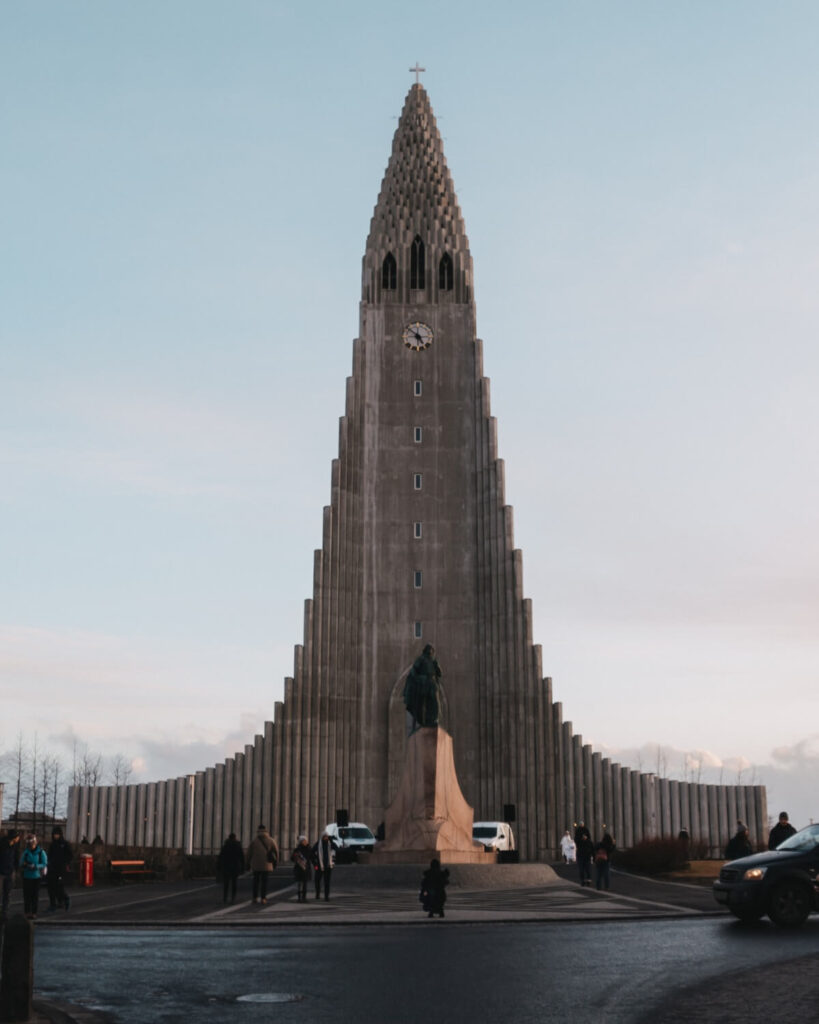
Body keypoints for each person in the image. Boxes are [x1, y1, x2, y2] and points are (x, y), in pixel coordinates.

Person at [403, 644, 443, 730]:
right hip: (423, 685)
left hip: (432, 684)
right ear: (427, 650)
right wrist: (420, 679)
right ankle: (424, 721)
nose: (432, 652)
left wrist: (436, 665)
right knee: (423, 704)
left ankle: (433, 720)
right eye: (430, 650)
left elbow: (439, 674)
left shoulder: (433, 661)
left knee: (434, 703)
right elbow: (413, 672)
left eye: (433, 651)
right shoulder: (421, 659)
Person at [246, 824, 279, 905]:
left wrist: (247, 863)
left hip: (256, 865)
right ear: (266, 831)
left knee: (255, 882)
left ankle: (254, 898)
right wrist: (275, 862)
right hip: (267, 864)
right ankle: (263, 898)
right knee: (264, 882)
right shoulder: (271, 840)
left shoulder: (254, 841)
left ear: (258, 831)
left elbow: (248, 853)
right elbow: (276, 852)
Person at [20, 833, 48, 920]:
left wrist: (35, 866)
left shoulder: (41, 852)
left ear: (35, 843)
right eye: (29, 844)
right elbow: (20, 863)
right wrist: (25, 865)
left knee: (34, 895)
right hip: (27, 876)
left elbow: (44, 863)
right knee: (27, 896)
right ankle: (27, 912)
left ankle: (34, 912)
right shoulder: (26, 852)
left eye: (32, 844)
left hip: (36, 877)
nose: (31, 846)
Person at [46, 826, 73, 912]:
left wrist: (65, 863)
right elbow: (49, 855)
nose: (55, 836)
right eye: (54, 834)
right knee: (51, 887)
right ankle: (53, 904)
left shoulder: (64, 844)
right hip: (52, 868)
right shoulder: (53, 844)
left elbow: (70, 855)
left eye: (57, 834)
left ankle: (64, 899)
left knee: (59, 887)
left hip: (61, 868)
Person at [217, 832, 245, 903]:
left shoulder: (225, 846)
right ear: (235, 838)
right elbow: (242, 857)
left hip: (226, 866)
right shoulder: (238, 846)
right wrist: (243, 867)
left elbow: (221, 857)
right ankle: (233, 897)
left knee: (226, 883)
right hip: (235, 866)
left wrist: (219, 866)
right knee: (234, 883)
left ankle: (225, 897)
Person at [0, 830, 21, 918]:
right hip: (1, 872)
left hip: (10, 871)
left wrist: (16, 870)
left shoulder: (15, 846)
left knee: (7, 894)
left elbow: (16, 858)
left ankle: (5, 913)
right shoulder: (2, 844)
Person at [312, 830, 336, 901]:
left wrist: (331, 841)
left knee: (327, 882)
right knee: (317, 880)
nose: (326, 838)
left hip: (328, 866)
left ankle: (326, 896)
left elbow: (336, 848)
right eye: (325, 837)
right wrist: (315, 863)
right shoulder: (318, 844)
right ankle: (317, 893)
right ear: (322, 837)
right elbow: (312, 853)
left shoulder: (330, 843)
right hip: (319, 866)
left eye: (327, 837)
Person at [291, 836, 312, 902]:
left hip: (306, 868)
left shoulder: (309, 849)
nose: (306, 842)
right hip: (299, 868)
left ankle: (304, 897)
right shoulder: (297, 850)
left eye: (306, 840)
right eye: (304, 841)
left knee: (305, 883)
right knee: (300, 883)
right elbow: (292, 858)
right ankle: (299, 898)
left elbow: (312, 857)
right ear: (301, 842)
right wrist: (295, 857)